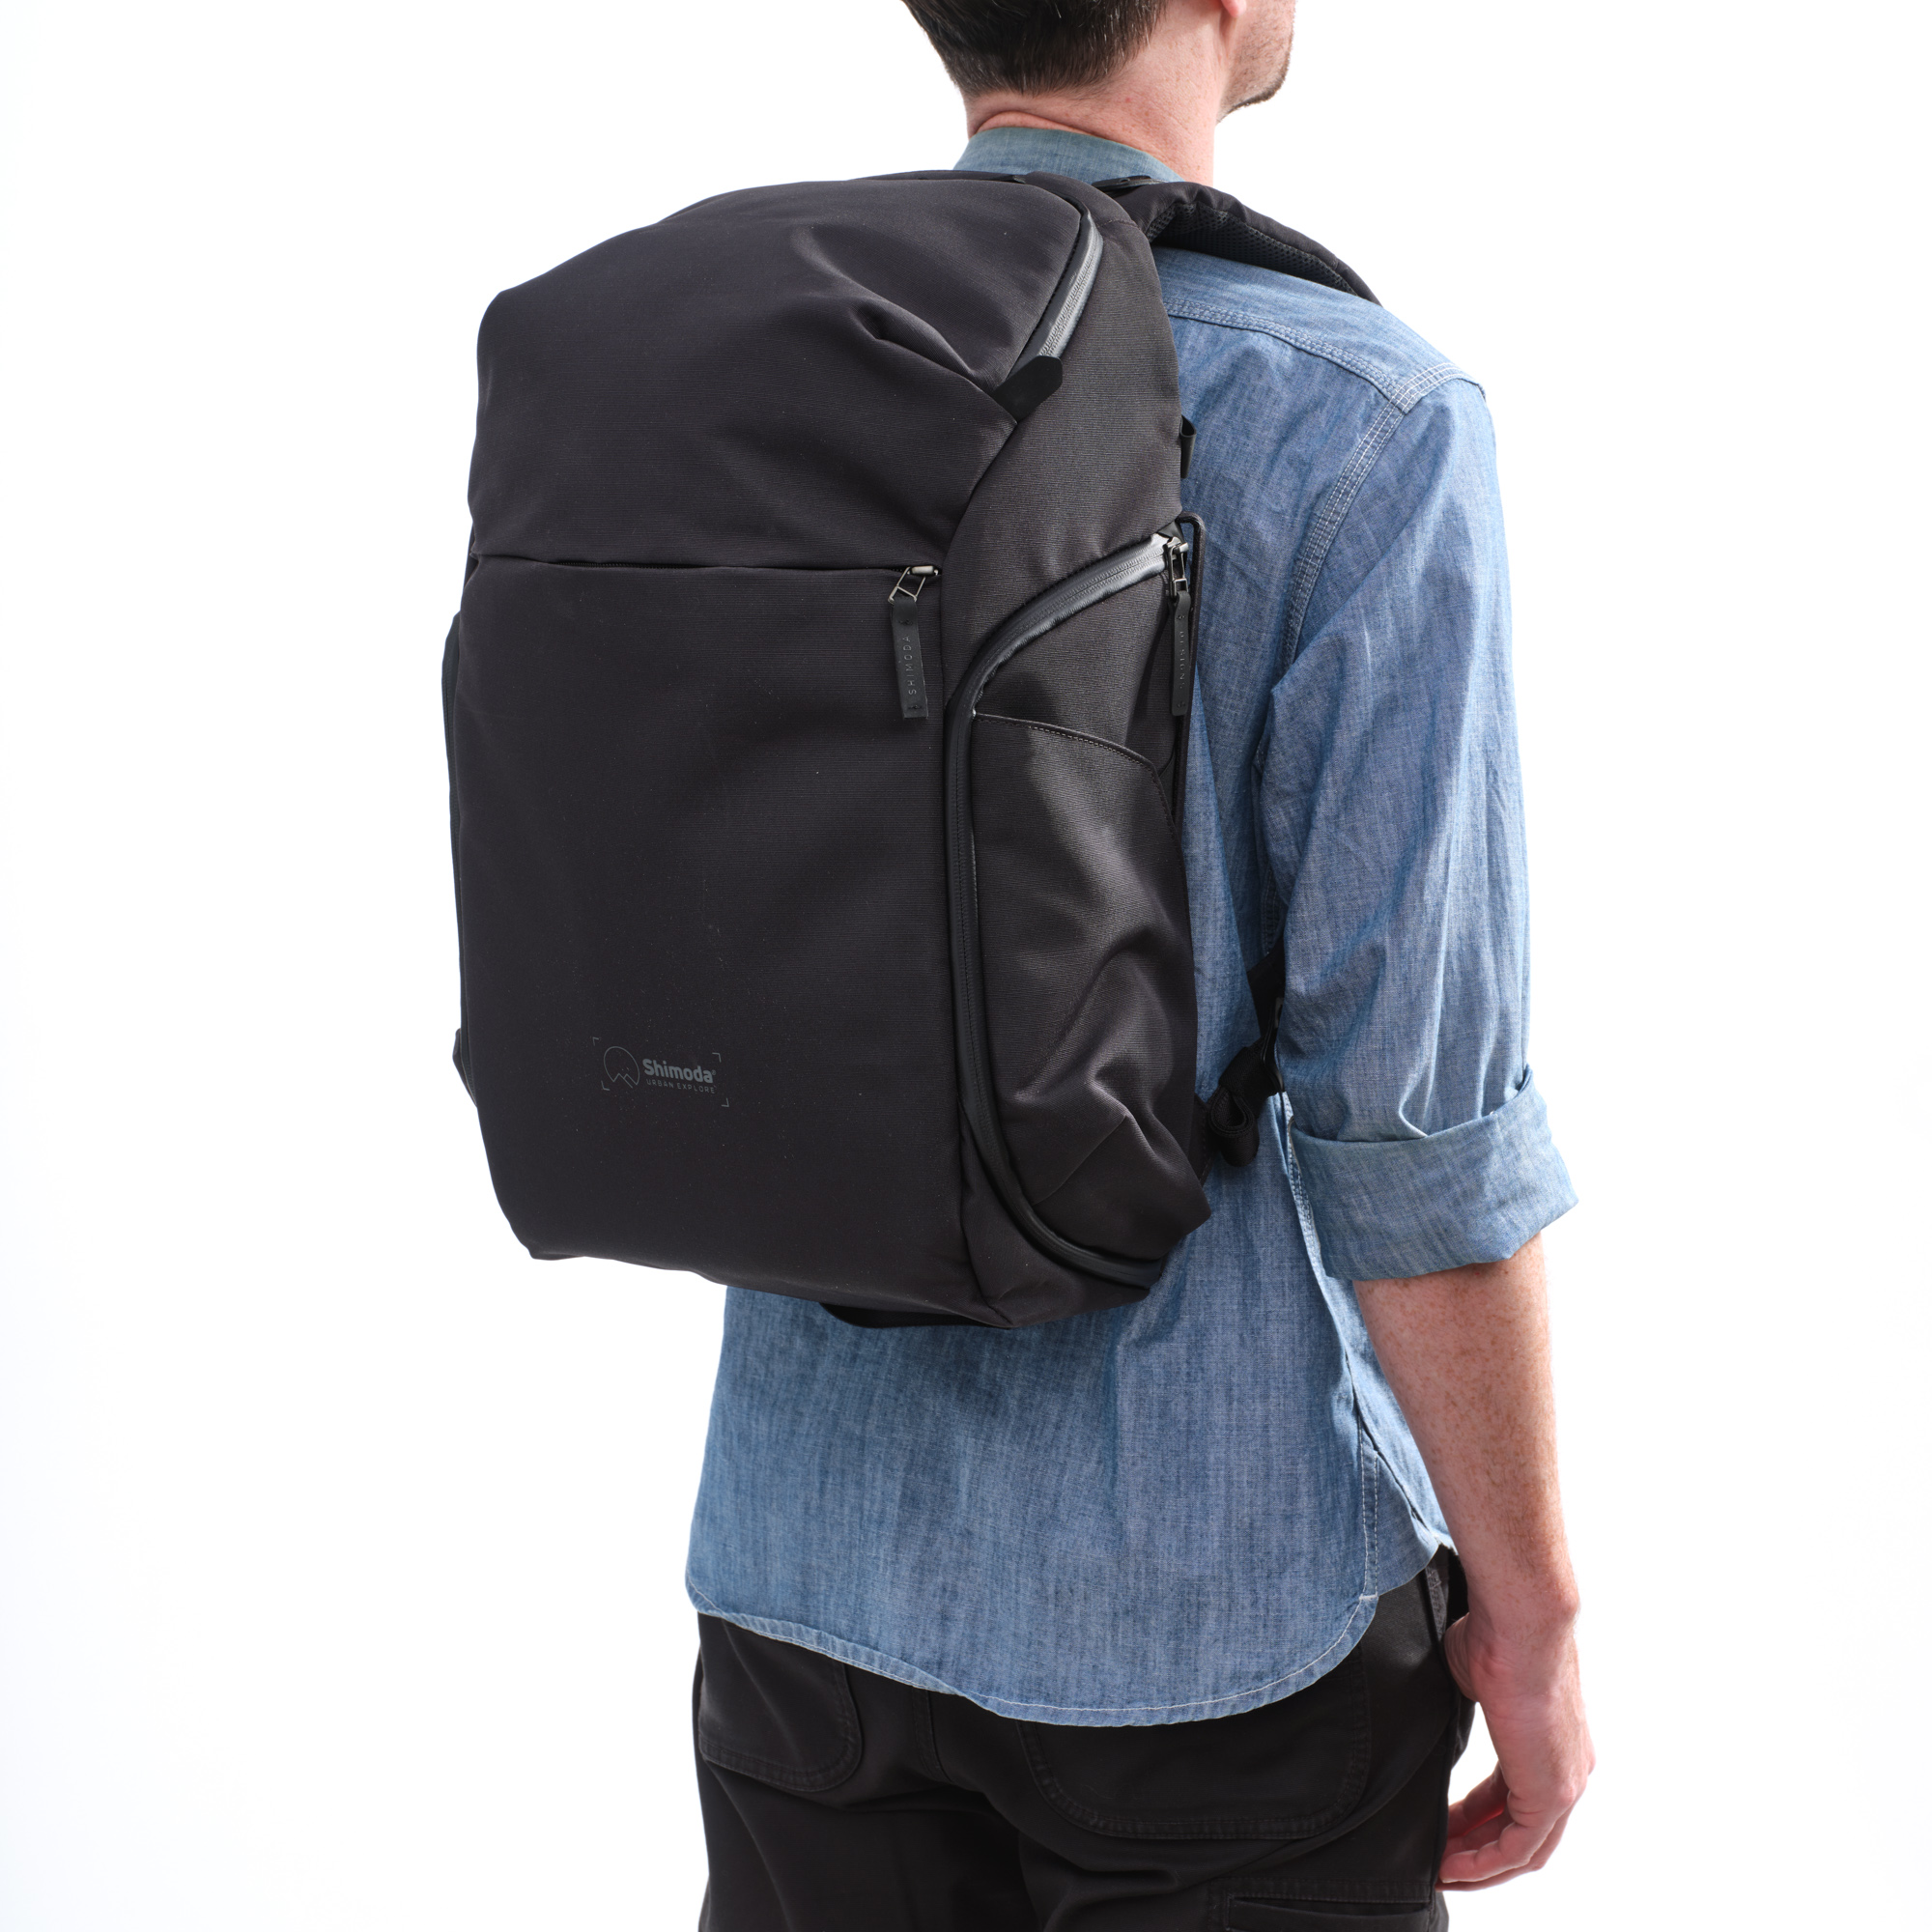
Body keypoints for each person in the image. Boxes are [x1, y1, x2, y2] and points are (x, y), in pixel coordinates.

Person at [684, 2, 1593, 1923]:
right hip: (1217, 1626)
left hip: (801, 1573)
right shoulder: (1363, 425)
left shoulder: (760, 366)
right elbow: (1413, 1134)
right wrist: (1532, 1614)